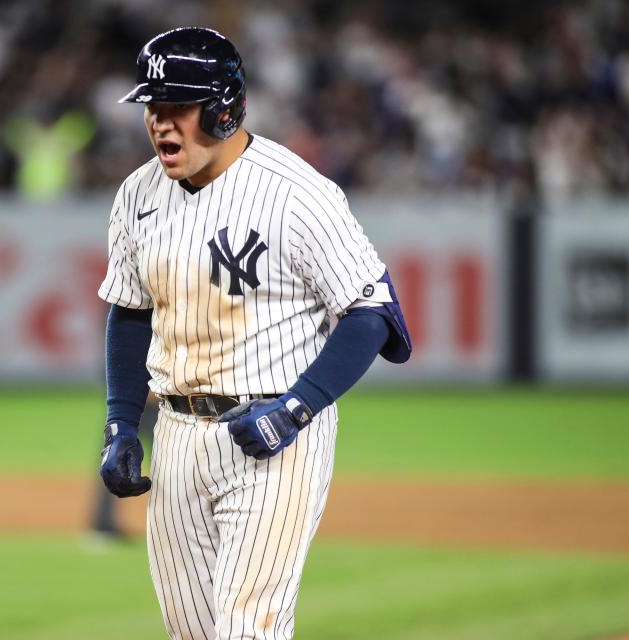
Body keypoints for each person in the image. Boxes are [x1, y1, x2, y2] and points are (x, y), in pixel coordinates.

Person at [97, 27, 411, 639]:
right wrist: (120, 423)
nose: (161, 124)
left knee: (247, 629)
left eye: (178, 108)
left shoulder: (297, 194)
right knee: (191, 631)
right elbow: (131, 312)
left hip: (277, 436)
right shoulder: (137, 195)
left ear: (224, 109)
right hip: (178, 435)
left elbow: (372, 314)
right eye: (153, 109)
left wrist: (296, 410)